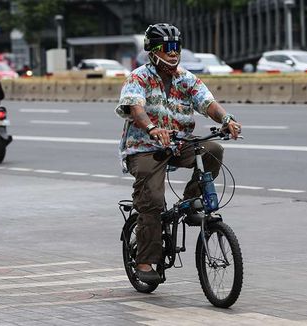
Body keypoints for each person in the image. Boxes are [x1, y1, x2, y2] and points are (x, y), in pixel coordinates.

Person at [115, 23, 242, 284]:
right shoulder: (138, 78)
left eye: (177, 48)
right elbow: (136, 109)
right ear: (153, 51)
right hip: (145, 148)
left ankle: (193, 199)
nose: (174, 54)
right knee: (152, 200)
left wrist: (227, 119)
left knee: (213, 150)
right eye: (168, 48)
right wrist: (152, 128)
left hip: (178, 143)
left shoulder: (186, 78)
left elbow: (207, 103)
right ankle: (145, 261)